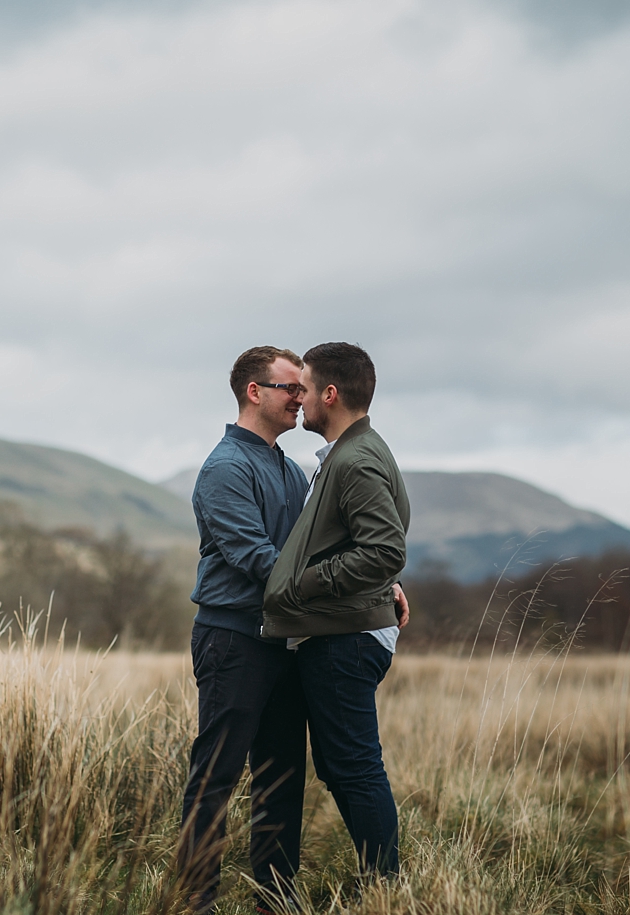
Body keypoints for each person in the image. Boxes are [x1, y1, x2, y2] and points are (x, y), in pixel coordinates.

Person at [262, 342, 411, 879]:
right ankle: (383, 880)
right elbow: (372, 548)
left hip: (345, 638)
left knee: (354, 767)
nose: (297, 395)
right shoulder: (352, 454)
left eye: (303, 385)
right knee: (343, 766)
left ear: (331, 393)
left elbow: (384, 550)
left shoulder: (355, 459)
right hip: (343, 630)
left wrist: (304, 585)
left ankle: (388, 886)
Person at [178, 345, 312, 914]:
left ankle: (274, 901)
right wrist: (337, 587)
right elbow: (257, 558)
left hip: (286, 642)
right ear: (254, 392)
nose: (300, 399)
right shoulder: (225, 468)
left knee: (281, 775)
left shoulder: (292, 469)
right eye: (290, 389)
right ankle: (194, 899)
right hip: (232, 639)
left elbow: (315, 550)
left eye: (302, 390)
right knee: (217, 773)